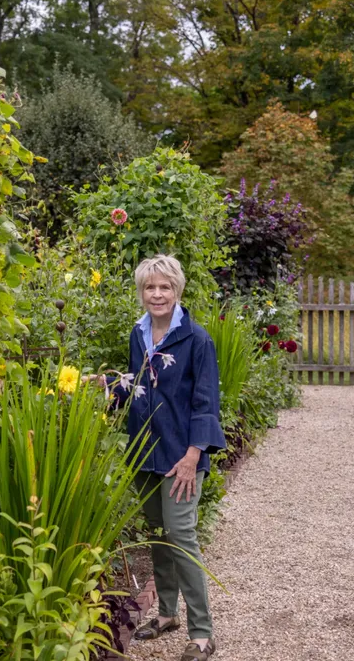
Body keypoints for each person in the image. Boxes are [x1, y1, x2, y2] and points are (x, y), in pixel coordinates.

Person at [106, 254, 226, 660]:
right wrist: (107, 387)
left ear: (178, 290)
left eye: (164, 287)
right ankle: (167, 614)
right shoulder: (138, 335)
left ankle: (203, 633)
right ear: (141, 292)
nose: (156, 294)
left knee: (181, 537)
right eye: (149, 287)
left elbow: (206, 402)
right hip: (145, 454)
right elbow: (138, 386)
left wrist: (194, 455)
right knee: (158, 535)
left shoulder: (197, 339)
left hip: (181, 457)